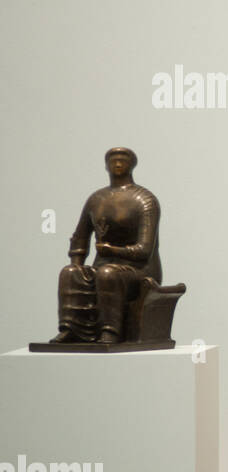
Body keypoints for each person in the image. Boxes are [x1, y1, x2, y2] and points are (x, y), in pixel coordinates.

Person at [47, 147, 163, 345]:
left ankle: (110, 331)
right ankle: (70, 328)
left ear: (131, 165)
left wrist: (113, 250)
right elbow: (79, 238)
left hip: (139, 270)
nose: (117, 164)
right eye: (113, 160)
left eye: (123, 160)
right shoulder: (96, 200)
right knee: (68, 273)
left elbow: (144, 250)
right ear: (106, 166)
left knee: (108, 274)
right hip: (103, 266)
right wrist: (77, 265)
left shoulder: (145, 200)